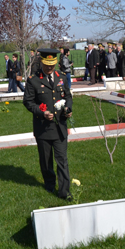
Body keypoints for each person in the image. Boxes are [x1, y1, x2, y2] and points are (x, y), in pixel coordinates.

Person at [23, 48, 73, 199]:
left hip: (60, 127)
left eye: (52, 65)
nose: (50, 68)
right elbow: (28, 102)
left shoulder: (61, 77)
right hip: (43, 129)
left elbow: (68, 96)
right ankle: (50, 185)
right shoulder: (34, 80)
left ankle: (65, 192)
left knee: (62, 161)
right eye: (47, 65)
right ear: (41, 62)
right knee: (46, 161)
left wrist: (68, 109)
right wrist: (41, 112)